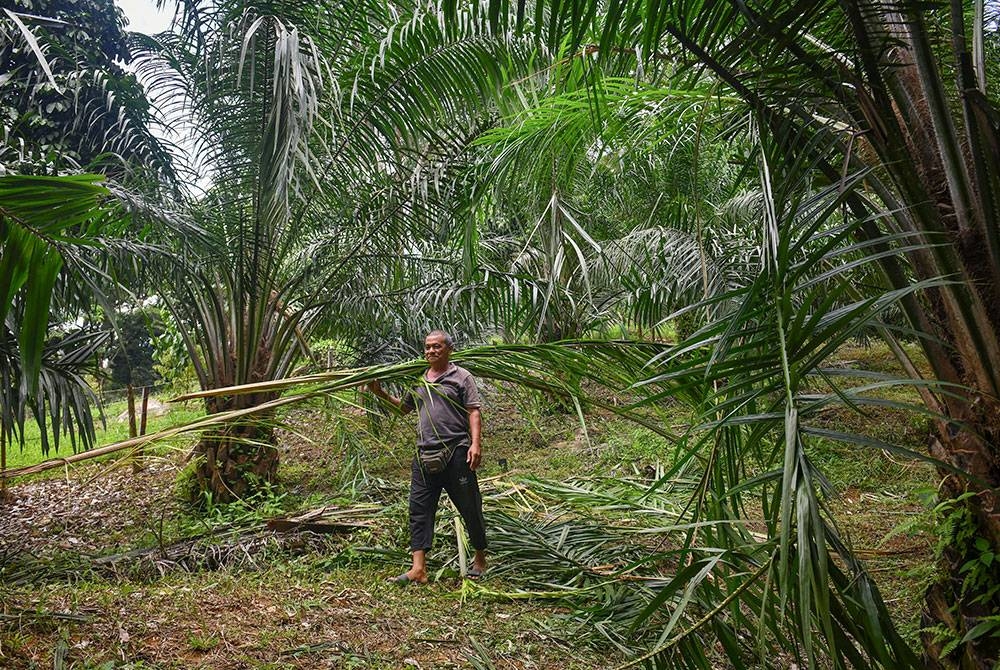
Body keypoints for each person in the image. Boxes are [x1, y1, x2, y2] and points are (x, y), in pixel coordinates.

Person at [367, 330, 488, 584]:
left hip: (456, 452)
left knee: (470, 508)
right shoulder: (419, 379)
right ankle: (418, 569)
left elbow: (473, 412)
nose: (431, 351)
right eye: (428, 347)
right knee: (419, 510)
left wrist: (475, 444)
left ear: (449, 349)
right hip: (424, 453)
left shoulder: (461, 377)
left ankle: (479, 558)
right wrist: (379, 392)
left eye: (437, 347)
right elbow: (404, 409)